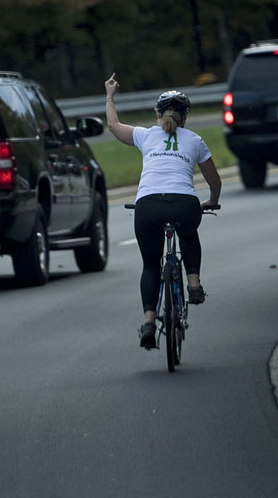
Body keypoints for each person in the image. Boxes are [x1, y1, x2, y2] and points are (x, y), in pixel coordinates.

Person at [104, 73, 222, 350]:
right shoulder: (195, 140)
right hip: (184, 203)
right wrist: (211, 200)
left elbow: (113, 126)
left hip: (148, 205)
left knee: (150, 264)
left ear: (158, 115)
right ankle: (194, 284)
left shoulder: (146, 135)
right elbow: (214, 180)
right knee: (188, 234)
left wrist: (109, 96)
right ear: (185, 118)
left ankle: (148, 323)